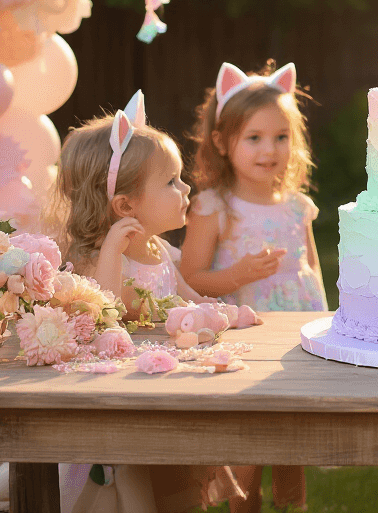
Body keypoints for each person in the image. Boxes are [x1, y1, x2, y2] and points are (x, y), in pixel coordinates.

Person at [49, 90, 253, 513]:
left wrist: (225, 314)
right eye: (171, 181)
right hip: (120, 401)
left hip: (168, 387)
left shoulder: (160, 251)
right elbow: (102, 314)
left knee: (179, 482)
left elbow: (190, 297)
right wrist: (109, 254)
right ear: (126, 204)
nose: (185, 187)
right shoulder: (96, 259)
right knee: (140, 486)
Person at [180, 62, 323, 512]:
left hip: (292, 340)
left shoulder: (298, 207)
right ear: (223, 142)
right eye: (254, 138)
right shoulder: (214, 207)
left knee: (290, 431)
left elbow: (312, 268)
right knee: (249, 432)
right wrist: (236, 275)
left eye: (281, 137)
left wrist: (323, 319)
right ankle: (245, 505)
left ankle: (292, 503)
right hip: (243, 337)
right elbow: (187, 278)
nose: (270, 149)